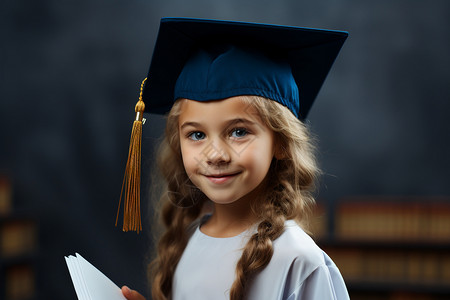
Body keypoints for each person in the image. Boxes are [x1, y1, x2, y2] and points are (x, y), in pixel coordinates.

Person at [120, 18, 349, 300]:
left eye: (238, 132)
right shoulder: (187, 241)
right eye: (196, 135)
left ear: (280, 142)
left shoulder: (298, 261)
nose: (215, 154)